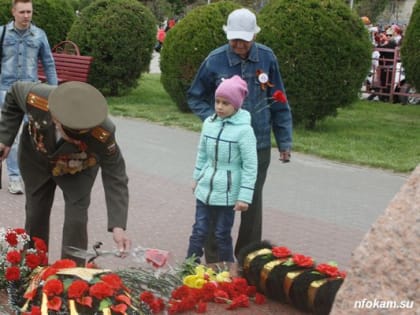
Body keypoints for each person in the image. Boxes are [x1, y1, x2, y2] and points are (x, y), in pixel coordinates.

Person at [187, 8, 292, 262]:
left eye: (244, 39)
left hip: (258, 143)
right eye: (234, 38)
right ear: (227, 35)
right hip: (222, 147)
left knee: (251, 201)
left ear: (254, 36)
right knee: (217, 200)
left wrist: (284, 141)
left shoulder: (267, 58)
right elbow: (195, 96)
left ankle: (249, 257)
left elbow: (278, 100)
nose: (239, 44)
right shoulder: (214, 60)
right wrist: (214, 121)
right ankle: (215, 259)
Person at [0, 81, 131, 265]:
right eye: (71, 136)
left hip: (78, 167)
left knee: (76, 221)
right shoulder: (37, 97)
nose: (74, 140)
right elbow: (13, 94)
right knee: (36, 213)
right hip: (37, 158)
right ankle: (33, 269)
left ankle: (69, 275)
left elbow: (115, 174)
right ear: (56, 119)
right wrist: (5, 137)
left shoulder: (103, 131)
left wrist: (118, 226)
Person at [187, 75, 257, 263]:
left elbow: (250, 165)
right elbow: (202, 153)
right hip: (205, 189)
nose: (219, 107)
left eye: (225, 103)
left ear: (236, 105)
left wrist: (244, 196)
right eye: (217, 101)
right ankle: (189, 267)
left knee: (221, 234)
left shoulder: (244, 131)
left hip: (227, 193)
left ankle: (228, 273)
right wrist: (196, 177)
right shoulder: (209, 124)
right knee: (198, 230)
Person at [0, 0, 57, 194]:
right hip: (5, 91)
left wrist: (54, 92)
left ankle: (31, 175)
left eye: (29, 12)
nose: (26, 16)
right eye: (22, 12)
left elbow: (48, 64)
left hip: (30, 93)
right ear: (13, 12)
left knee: (33, 134)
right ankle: (14, 178)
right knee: (12, 137)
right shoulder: (2, 33)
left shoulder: (39, 35)